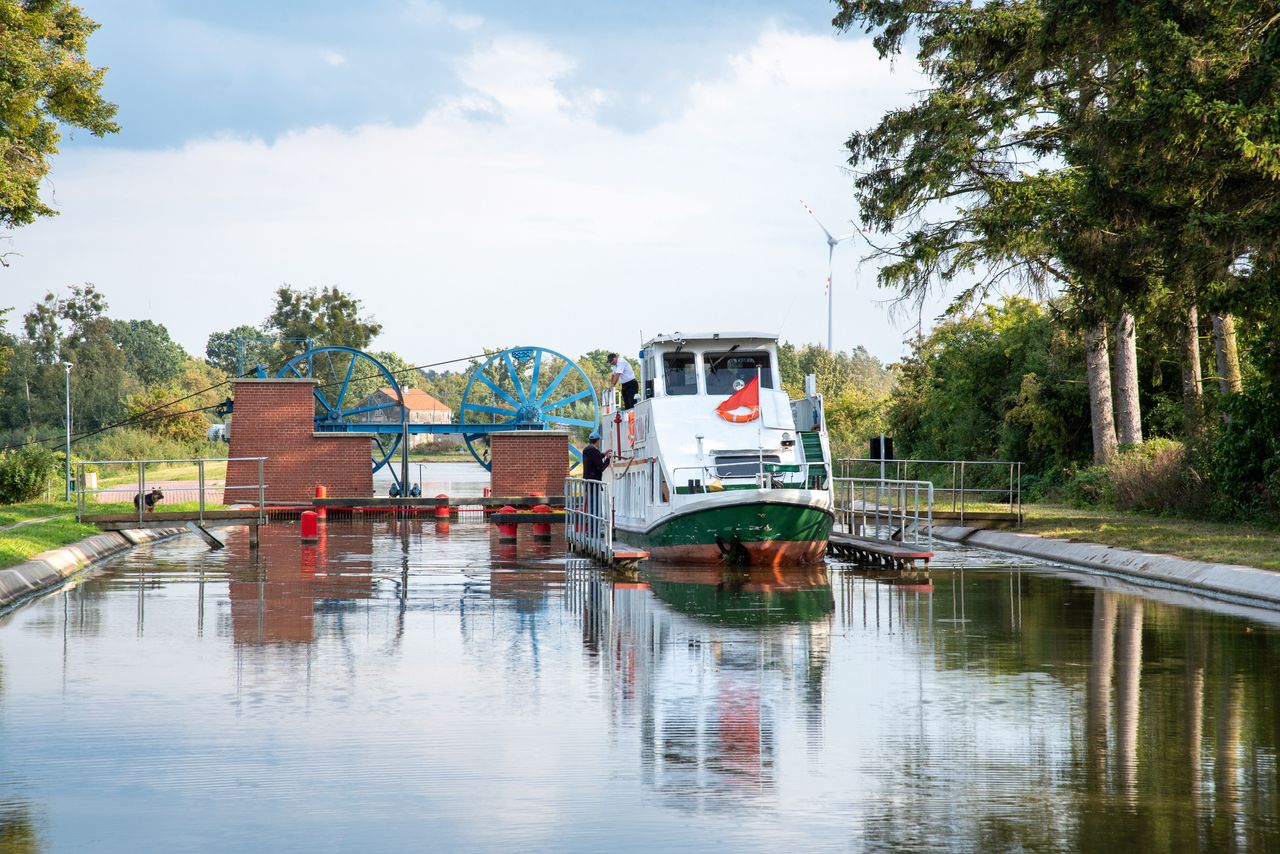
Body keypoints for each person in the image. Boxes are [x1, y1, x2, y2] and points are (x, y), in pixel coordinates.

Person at [581, 432, 612, 520]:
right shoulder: (594, 451)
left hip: (587, 482)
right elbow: (600, 467)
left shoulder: (586, 450)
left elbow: (594, 459)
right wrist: (608, 459)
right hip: (594, 483)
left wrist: (604, 454)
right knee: (595, 507)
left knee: (591, 506)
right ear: (597, 441)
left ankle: (591, 527)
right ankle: (593, 529)